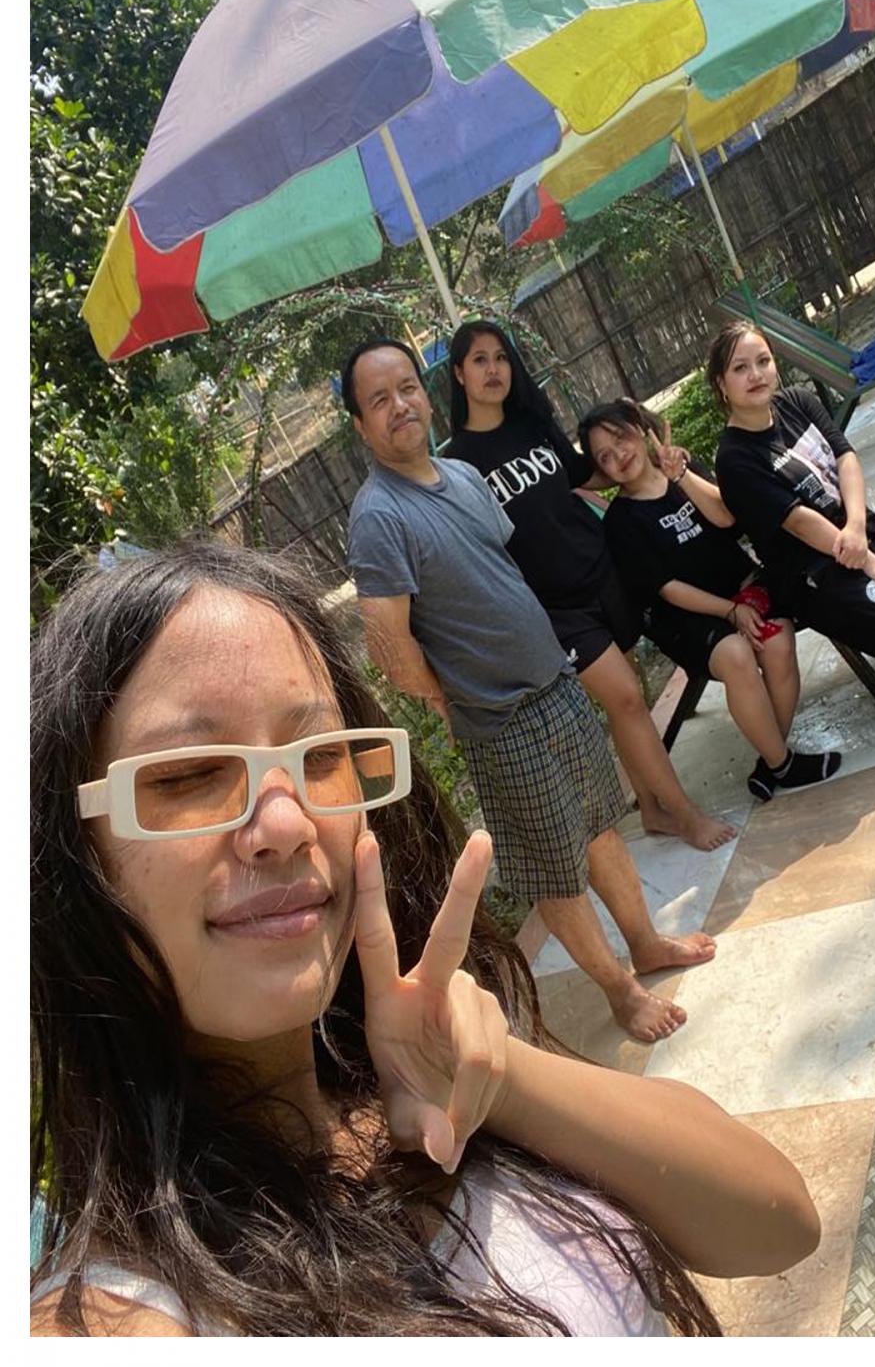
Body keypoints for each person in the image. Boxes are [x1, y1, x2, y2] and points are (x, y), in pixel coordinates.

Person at [30, 542, 822, 1337]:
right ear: (72, 854)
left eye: (322, 755)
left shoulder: (408, 1073)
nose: (286, 822)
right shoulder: (116, 1315)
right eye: (185, 776)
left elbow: (781, 1225)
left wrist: (502, 1079)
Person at [345, 337, 717, 1045]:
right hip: (501, 720)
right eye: (379, 400)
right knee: (555, 869)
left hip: (556, 684)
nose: (399, 406)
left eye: (406, 388)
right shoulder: (379, 516)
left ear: (426, 394)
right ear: (361, 425)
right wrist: (449, 698)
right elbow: (389, 648)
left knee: (601, 825)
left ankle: (645, 944)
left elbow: (500, 574)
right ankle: (620, 991)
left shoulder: (462, 476)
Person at [445, 319, 734, 852]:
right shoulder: (457, 463)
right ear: (459, 373)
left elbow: (586, 473)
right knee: (626, 700)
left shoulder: (533, 424)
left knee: (630, 701)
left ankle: (651, 808)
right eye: (480, 360)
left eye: (501, 357)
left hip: (602, 570)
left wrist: (645, 454)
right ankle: (686, 815)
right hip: (554, 606)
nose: (493, 370)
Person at [577, 398, 842, 802]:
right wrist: (732, 612)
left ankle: (772, 761)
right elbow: (668, 589)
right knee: (736, 655)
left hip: (744, 586)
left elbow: (728, 519)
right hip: (687, 617)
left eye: (621, 439)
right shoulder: (621, 521)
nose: (620, 456)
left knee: (777, 643)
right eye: (605, 457)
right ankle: (783, 764)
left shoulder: (685, 470)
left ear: (640, 429)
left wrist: (682, 476)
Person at [708, 321, 875, 686]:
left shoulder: (797, 401)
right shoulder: (734, 458)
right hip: (816, 574)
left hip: (864, 537)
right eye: (740, 368)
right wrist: (868, 561)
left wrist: (857, 527)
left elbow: (846, 458)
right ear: (721, 383)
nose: (756, 374)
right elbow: (797, 522)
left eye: (763, 361)